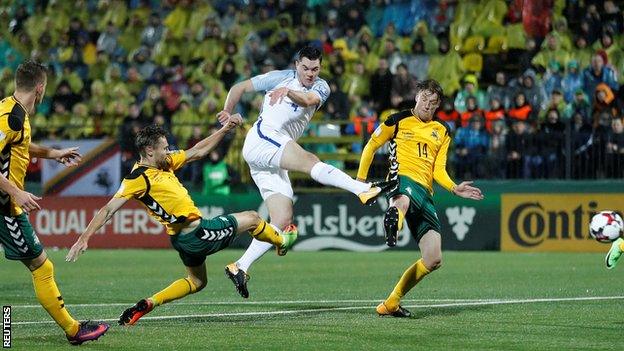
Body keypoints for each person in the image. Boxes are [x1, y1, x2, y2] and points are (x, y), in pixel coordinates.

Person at [65, 122, 298, 326]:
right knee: (253, 218)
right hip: (198, 233)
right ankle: (280, 242)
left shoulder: (164, 163)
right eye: (164, 148)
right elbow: (108, 209)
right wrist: (84, 237)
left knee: (197, 281)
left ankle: (150, 303)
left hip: (181, 240)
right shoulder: (137, 179)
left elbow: (197, 151)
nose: (168, 151)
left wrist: (225, 130)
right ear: (149, 150)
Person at [216, 46, 391, 298]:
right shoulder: (278, 77)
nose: (310, 73)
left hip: (270, 156)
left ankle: (240, 266)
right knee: (310, 160)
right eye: (306, 68)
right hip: (263, 138)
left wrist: (289, 92)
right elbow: (239, 88)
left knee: (282, 219)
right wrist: (228, 109)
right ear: (297, 64)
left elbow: (308, 100)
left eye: (315, 69)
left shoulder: (321, 87)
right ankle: (362, 189)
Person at [0, 60, 109, 345]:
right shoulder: (11, 116)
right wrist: (15, 192)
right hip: (5, 208)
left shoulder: (11, 110)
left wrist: (53, 153)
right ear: (40, 88)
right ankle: (74, 331)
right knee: (41, 267)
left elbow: (19, 145)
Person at [356, 79, 484, 317]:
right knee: (402, 199)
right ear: (416, 97)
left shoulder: (443, 131)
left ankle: (391, 302)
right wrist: (361, 181)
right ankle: (394, 217)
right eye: (424, 98)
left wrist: (454, 188)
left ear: (437, 106)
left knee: (433, 258)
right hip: (401, 177)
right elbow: (371, 146)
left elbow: (439, 170)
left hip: (426, 193)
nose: (427, 104)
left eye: (433, 102)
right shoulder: (397, 120)